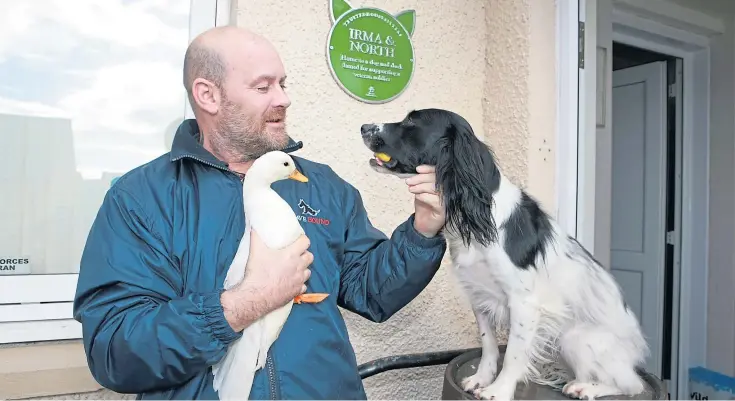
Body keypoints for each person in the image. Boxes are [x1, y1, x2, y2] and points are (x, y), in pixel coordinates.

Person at [73, 26, 447, 400]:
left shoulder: (323, 185)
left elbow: (371, 291)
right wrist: (243, 303)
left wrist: (422, 231)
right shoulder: (142, 198)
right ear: (208, 95)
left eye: (282, 83)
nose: (283, 98)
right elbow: (116, 351)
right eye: (263, 86)